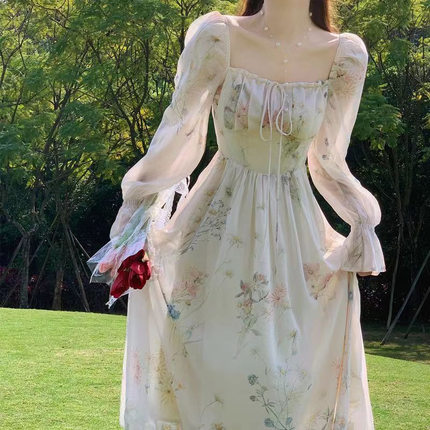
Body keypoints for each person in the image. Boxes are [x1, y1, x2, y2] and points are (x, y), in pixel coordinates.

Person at [87, 1, 386, 428]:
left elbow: (327, 159)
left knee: (288, 379)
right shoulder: (218, 38)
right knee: (207, 365)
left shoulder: (344, 56)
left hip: (294, 235)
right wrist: (136, 208)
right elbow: (180, 130)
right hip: (216, 229)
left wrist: (360, 219)